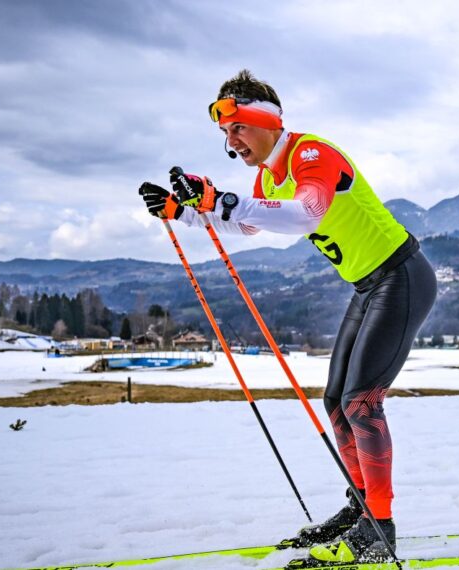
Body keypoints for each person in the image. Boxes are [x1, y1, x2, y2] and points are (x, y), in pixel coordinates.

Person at [138, 70, 437, 565]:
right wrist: (186, 212)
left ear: (266, 121)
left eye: (237, 129)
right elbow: (253, 223)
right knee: (337, 402)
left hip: (401, 277)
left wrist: (220, 200)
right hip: (368, 286)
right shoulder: (268, 176)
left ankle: (380, 531)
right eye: (225, 135)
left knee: (362, 401)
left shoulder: (311, 153)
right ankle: (361, 509)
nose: (232, 144)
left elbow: (308, 212)